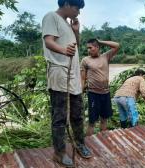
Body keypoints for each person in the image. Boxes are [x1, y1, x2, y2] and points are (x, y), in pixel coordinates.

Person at [42, 0, 92, 167]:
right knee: (60, 116)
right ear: (67, 4)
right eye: (77, 8)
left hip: (72, 76)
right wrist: (63, 50)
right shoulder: (52, 17)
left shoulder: (68, 24)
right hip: (60, 74)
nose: (78, 12)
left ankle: (79, 144)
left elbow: (75, 47)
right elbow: (49, 41)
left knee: (77, 114)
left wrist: (76, 32)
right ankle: (59, 152)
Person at [81, 38, 120, 136]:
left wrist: (100, 41)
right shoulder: (85, 60)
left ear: (97, 47)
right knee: (92, 122)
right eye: (87, 48)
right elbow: (82, 79)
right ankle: (89, 143)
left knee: (104, 118)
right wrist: (80, 92)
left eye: (90, 48)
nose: (88, 50)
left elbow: (117, 45)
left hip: (106, 93)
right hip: (93, 94)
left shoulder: (105, 56)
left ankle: (104, 141)